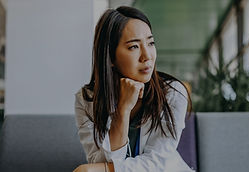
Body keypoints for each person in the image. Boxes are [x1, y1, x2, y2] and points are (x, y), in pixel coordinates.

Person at [73, 6, 194, 172]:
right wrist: (122, 110)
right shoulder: (87, 100)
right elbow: (100, 160)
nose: (147, 56)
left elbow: (158, 162)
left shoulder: (172, 92)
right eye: (134, 47)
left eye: (151, 43)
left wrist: (103, 170)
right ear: (110, 57)